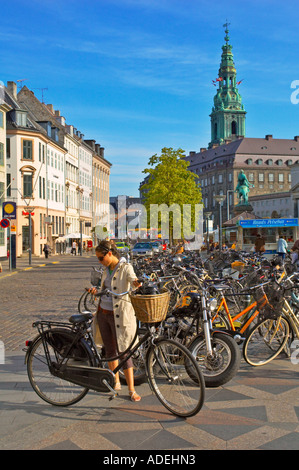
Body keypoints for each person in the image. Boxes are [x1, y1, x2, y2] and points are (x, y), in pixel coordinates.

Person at [91, 240, 141, 402]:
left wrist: (136, 283)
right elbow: (103, 288)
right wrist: (95, 291)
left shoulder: (125, 267)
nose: (100, 261)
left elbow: (132, 279)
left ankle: (132, 389)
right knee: (109, 349)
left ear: (110, 253)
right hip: (103, 314)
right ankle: (116, 381)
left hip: (118, 315)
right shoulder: (106, 269)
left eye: (101, 258)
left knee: (124, 352)